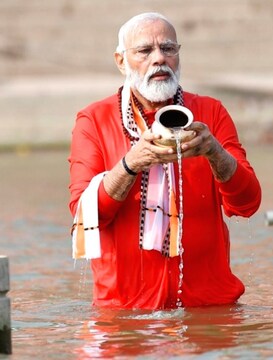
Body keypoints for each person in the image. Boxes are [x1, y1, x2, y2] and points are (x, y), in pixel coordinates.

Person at [68, 12, 261, 309]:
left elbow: (248, 204)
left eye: (168, 49)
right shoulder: (93, 120)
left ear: (178, 55)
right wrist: (131, 163)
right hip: (126, 312)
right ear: (121, 61)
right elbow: (86, 214)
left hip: (209, 309)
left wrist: (214, 152)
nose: (159, 58)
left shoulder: (210, 113)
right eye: (145, 51)